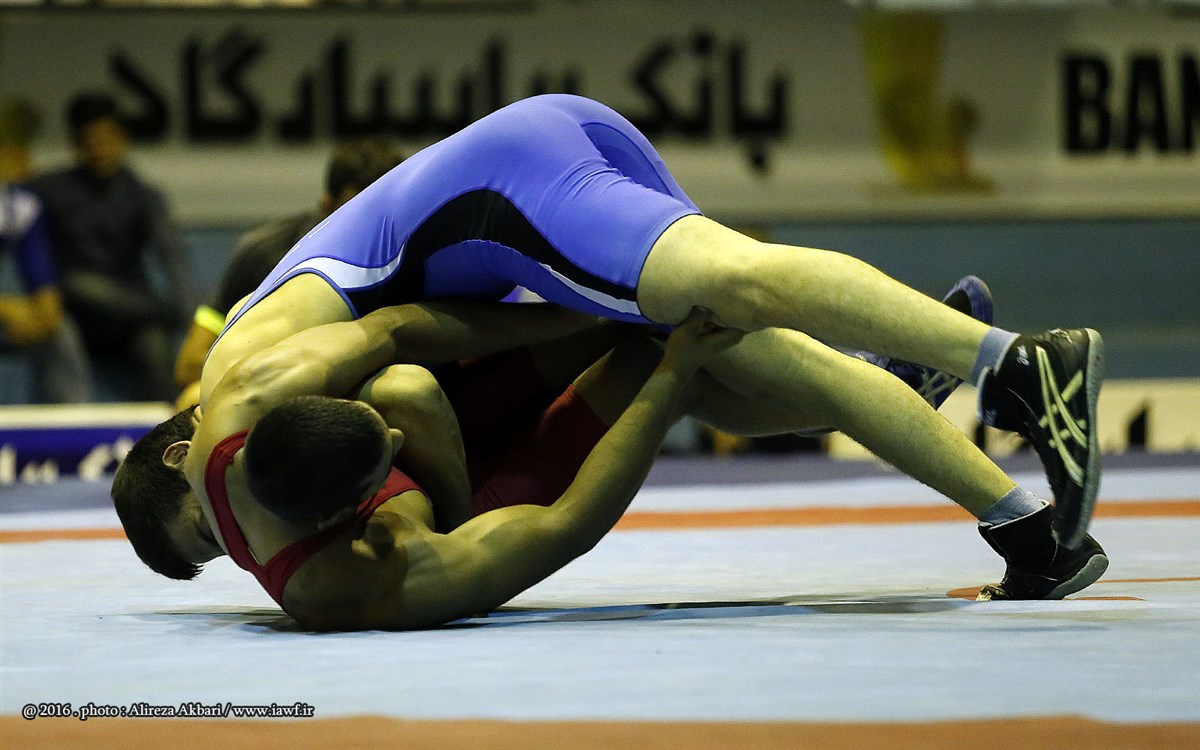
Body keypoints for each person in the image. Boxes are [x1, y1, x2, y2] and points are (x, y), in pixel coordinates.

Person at [197, 95, 1101, 550]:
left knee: (738, 282)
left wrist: (558, 322)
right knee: (728, 359)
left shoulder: (241, 381)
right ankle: (1023, 526)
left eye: (208, 534)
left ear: (183, 458)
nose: (239, 540)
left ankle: (1014, 365)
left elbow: (398, 345)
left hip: (508, 192)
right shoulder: (267, 365)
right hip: (514, 189)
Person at [173, 138, 406, 407]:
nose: (370, 229)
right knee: (192, 397)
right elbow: (190, 363)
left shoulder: (416, 258)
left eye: (383, 216)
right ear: (326, 205)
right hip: (280, 391)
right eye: (358, 214)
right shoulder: (265, 253)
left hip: (368, 393)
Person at [32, 93, 195, 401]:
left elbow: (172, 256)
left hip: (129, 312)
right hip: (75, 309)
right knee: (80, 284)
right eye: (90, 142)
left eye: (106, 139)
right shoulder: (49, 190)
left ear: (122, 138)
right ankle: (164, 313)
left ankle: (160, 424)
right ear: (77, 144)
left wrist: (191, 314)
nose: (100, 150)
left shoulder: (143, 195)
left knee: (153, 340)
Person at [0, 182, 93, 403]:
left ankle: (73, 421)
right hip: (8, 312)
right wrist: (8, 310)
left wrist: (44, 313)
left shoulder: (20, 205)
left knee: (61, 332)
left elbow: (40, 271)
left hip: (14, 320)